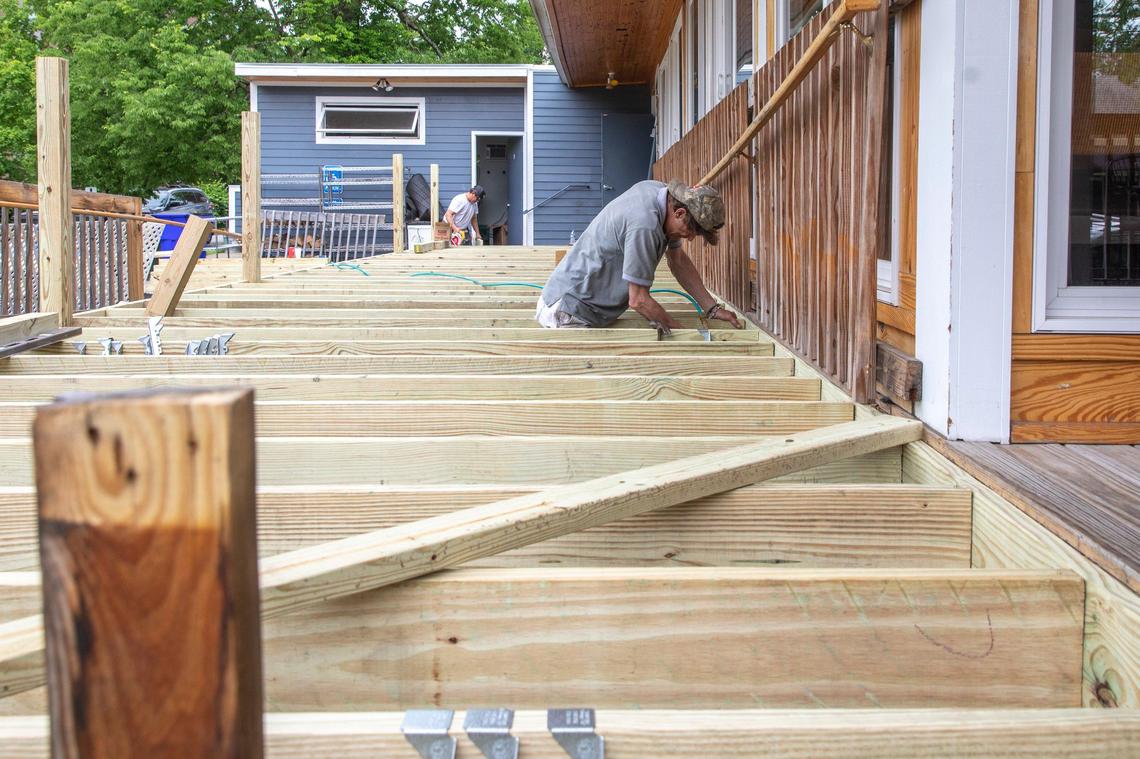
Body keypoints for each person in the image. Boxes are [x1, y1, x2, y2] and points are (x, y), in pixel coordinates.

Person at [537, 179, 743, 330]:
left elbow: (678, 260)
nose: (689, 238)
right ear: (679, 213)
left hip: (588, 306)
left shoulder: (661, 195)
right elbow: (638, 300)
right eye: (691, 231)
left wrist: (712, 309)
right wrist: (681, 333)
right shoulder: (645, 224)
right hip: (568, 311)